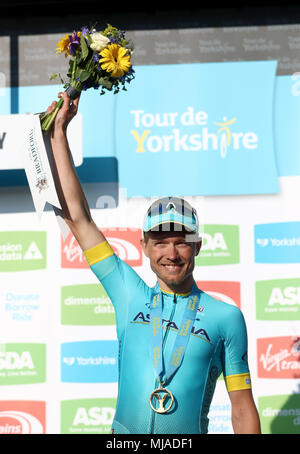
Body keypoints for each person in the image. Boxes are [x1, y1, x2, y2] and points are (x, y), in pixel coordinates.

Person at [47, 91, 261, 434]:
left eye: (181, 243)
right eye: (161, 243)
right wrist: (59, 134)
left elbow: (242, 411)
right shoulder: (128, 293)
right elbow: (79, 218)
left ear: (198, 247)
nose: (171, 254)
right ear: (144, 245)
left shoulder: (226, 318)